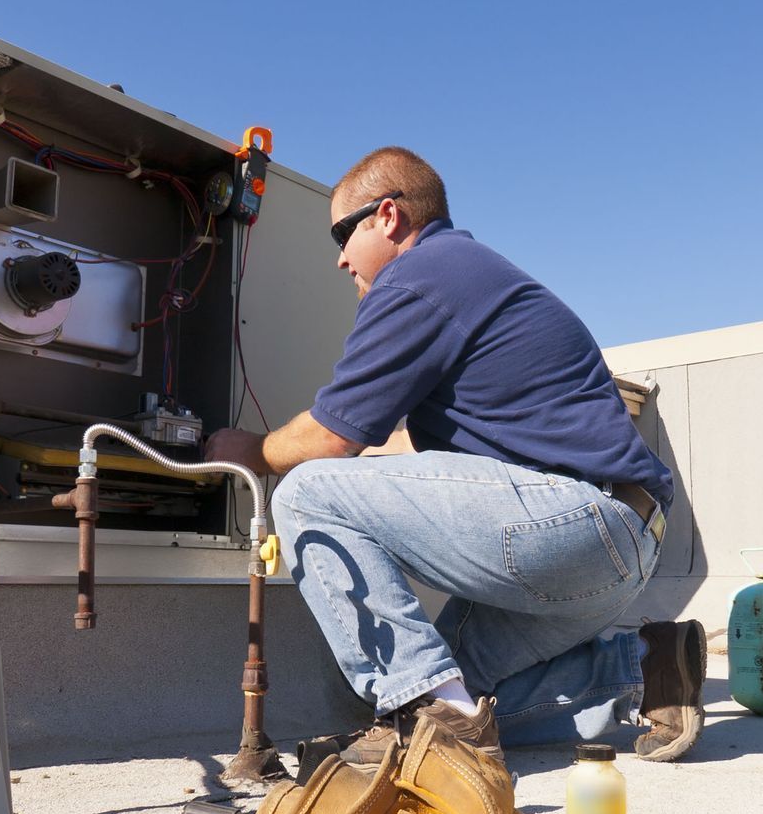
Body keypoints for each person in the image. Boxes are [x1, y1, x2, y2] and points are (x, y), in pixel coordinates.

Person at [203, 147, 703, 768]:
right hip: (619, 539)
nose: (339, 257)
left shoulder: (421, 275)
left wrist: (253, 450)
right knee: (461, 686)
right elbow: (401, 448)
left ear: (387, 216)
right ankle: (645, 671)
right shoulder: (467, 278)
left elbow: (335, 440)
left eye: (342, 233)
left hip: (576, 523)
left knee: (307, 491)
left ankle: (428, 717)